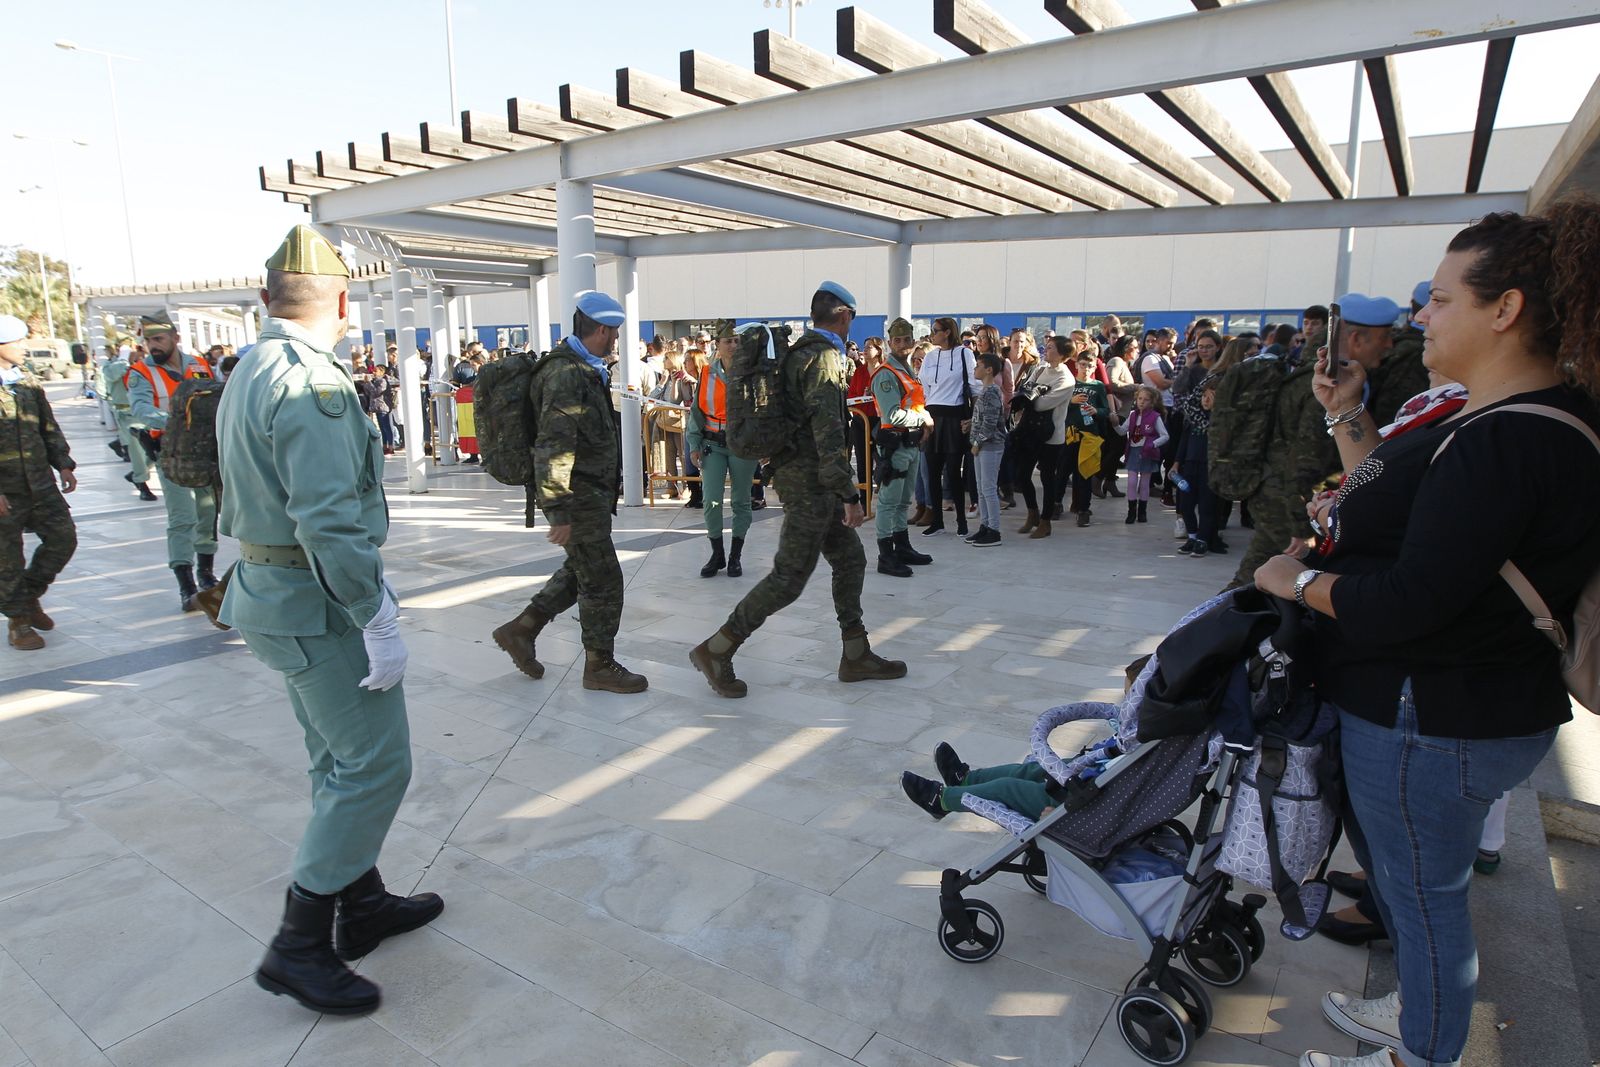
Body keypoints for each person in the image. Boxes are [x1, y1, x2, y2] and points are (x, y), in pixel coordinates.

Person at [1255, 200, 1600, 1067]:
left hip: (1434, 714)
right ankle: (1420, 1018)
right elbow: (1397, 505)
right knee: (1417, 892)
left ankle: (1423, 1051)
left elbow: (1410, 600)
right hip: (1463, 704)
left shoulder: (1504, 438)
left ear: (1505, 309)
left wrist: (1293, 579)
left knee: (1423, 901)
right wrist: (1345, 419)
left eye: (1441, 299)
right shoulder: (1508, 415)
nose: (1421, 315)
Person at [217, 226, 441, 1017]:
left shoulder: (251, 365)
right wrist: (372, 611)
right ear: (344, 301)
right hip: (315, 603)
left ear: (266, 298)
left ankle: (362, 898)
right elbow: (326, 520)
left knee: (336, 761)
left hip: (271, 593)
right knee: (378, 766)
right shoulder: (313, 383)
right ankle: (299, 943)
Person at [689, 281, 906, 698]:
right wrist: (848, 494)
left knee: (849, 558)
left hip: (806, 476)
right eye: (853, 319)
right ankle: (718, 648)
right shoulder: (823, 358)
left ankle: (856, 653)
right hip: (810, 482)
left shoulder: (801, 352)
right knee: (789, 577)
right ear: (843, 315)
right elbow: (828, 434)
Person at [491, 291, 648, 694]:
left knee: (583, 570)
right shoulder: (566, 374)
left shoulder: (584, 367)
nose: (615, 340)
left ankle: (521, 629)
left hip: (588, 493)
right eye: (613, 332)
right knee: (604, 580)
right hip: (576, 495)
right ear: (601, 330)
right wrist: (559, 508)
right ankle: (599, 666)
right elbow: (554, 443)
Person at [127, 313, 220, 611]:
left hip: (205, 453)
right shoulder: (141, 372)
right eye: (148, 340)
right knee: (183, 518)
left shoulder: (198, 365)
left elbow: (215, 397)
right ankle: (186, 585)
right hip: (171, 452)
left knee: (208, 514)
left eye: (158, 339)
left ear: (175, 338)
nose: (152, 345)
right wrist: (177, 419)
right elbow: (140, 409)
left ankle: (206, 574)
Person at [0, 314, 78, 651]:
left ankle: (28, 596)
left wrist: (63, 463)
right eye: (16, 342)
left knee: (63, 538)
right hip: (6, 490)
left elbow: (47, 425)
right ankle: (18, 621)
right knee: (7, 557)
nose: (23, 348)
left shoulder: (28, 382)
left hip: (40, 483)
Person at [687, 320, 758, 579]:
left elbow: (762, 413)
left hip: (742, 445)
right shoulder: (706, 373)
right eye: (728, 341)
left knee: (741, 501)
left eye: (737, 341)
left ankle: (735, 556)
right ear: (717, 345)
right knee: (711, 500)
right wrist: (694, 444)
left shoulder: (751, 374)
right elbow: (696, 412)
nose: (734, 345)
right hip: (713, 444)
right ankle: (716, 553)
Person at [869, 317, 934, 576]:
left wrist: (922, 426)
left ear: (913, 340)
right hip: (894, 445)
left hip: (911, 443)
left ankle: (902, 547)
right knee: (888, 502)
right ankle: (886, 556)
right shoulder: (887, 374)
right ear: (889, 343)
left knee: (903, 501)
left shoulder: (908, 371)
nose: (903, 344)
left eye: (907, 339)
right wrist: (925, 419)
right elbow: (893, 415)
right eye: (897, 340)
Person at [919, 317, 977, 537]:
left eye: (935, 331)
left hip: (955, 417)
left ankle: (961, 521)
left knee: (953, 471)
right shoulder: (930, 356)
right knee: (932, 471)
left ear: (947, 332)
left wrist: (973, 418)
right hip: (932, 416)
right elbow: (924, 386)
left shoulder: (965, 353)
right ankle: (937, 522)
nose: (932, 334)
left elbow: (975, 385)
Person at [1021, 336, 1076, 540]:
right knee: (1022, 474)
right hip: (1030, 430)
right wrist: (1033, 394)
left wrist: (1032, 395)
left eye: (1051, 347)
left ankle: (1045, 521)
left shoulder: (1066, 379)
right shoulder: (1041, 368)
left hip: (1050, 435)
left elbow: (1041, 404)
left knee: (1047, 478)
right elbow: (1025, 390)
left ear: (1062, 354)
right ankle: (1032, 513)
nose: (1046, 350)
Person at [1057, 343, 1110, 527]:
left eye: (1089, 365)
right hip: (1070, 434)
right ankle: (1056, 504)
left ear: (1095, 367)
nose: (1085, 369)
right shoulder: (1070, 383)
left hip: (1089, 436)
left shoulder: (1098, 387)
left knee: (1084, 474)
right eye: (1082, 365)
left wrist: (1096, 411)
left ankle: (1083, 509)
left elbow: (1106, 410)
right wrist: (1071, 401)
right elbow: (1058, 405)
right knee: (1062, 472)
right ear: (1076, 365)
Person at [1174, 380, 1222, 555]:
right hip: (1190, 466)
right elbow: (1184, 442)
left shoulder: (1219, 420)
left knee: (1206, 506)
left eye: (1211, 396)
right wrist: (1176, 463)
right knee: (1186, 505)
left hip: (1209, 468)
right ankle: (1192, 536)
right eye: (1203, 396)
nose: (1206, 400)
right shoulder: (1195, 417)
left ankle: (1203, 540)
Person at [966, 351, 1007, 546]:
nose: (975, 369)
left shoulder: (991, 391)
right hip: (981, 446)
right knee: (981, 489)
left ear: (989, 370)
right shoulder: (986, 390)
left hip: (989, 446)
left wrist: (978, 442)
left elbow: (990, 422)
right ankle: (985, 526)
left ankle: (994, 530)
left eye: (978, 366)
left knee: (989, 489)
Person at [1115, 385, 1169, 525]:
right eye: (1140, 398)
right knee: (1131, 483)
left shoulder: (1155, 417)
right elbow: (1122, 431)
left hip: (1147, 453)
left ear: (1152, 402)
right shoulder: (1133, 415)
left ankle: (1142, 512)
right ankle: (1131, 511)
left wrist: (1153, 444)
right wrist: (1115, 424)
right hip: (1133, 451)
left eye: (1146, 400)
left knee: (1144, 484)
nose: (1142, 402)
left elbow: (1165, 436)